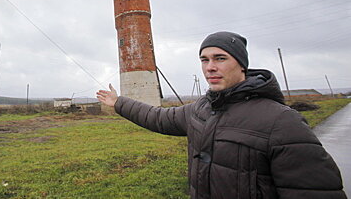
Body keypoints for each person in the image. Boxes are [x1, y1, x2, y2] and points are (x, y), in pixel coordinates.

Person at [97, 31, 346, 199]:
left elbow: (315, 191)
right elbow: (158, 118)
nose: (210, 67)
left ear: (241, 64)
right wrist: (119, 102)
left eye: (220, 58)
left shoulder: (281, 121)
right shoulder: (201, 108)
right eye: (204, 60)